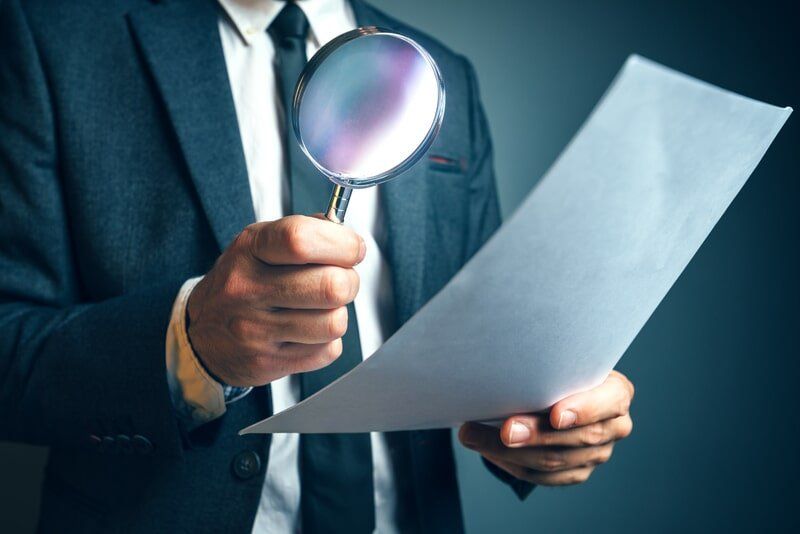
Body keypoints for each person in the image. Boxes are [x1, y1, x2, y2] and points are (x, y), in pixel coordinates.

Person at [0, 0, 635, 532]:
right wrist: (190, 346)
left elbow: (486, 344)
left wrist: (545, 421)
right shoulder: (53, 37)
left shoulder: (447, 78)